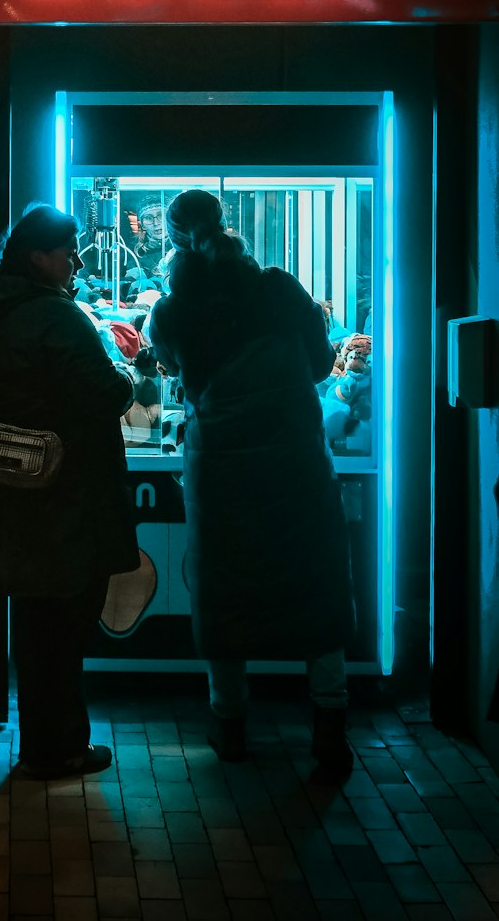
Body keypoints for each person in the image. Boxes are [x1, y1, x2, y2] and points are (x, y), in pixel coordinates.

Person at [146, 189, 356, 777]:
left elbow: (169, 372)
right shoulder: (281, 289)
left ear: (174, 240)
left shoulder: (173, 310)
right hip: (295, 462)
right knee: (315, 582)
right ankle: (330, 728)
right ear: (226, 224)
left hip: (222, 470)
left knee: (227, 588)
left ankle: (230, 724)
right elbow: (320, 365)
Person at [0, 203, 139, 779]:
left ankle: (40, 744)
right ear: (39, 256)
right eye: (68, 251)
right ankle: (63, 747)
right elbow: (108, 393)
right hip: (68, 492)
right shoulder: (55, 318)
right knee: (65, 626)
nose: (77, 261)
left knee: (35, 626)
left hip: (15, 488)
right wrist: (125, 371)